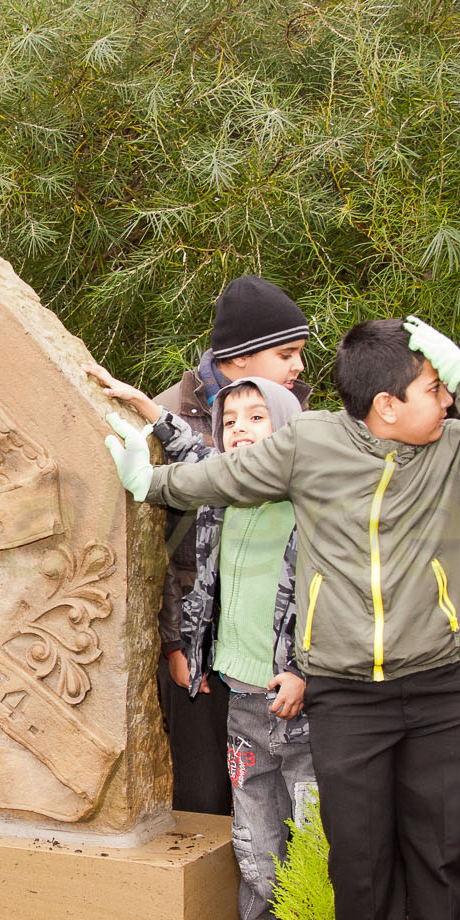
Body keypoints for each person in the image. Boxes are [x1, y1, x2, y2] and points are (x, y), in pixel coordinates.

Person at [107, 316, 460, 920]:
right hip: (346, 692)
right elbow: (226, 476)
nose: (446, 400)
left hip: (438, 686)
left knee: (438, 847)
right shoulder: (313, 445)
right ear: (386, 406)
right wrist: (151, 482)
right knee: (358, 850)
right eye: (433, 389)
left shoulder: (451, 449)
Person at [86, 275, 311, 816]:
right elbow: (152, 551)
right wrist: (176, 642)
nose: (299, 367)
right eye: (286, 354)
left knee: (295, 796)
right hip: (200, 644)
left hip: (280, 657)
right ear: (240, 358)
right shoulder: (174, 416)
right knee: (210, 791)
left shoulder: (296, 424)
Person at [156, 376, 315, 920]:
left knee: (316, 825)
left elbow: (333, 592)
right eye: (230, 420)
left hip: (304, 702)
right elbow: (189, 452)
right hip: (243, 696)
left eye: (257, 416)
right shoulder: (223, 496)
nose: (241, 429)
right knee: (255, 829)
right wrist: (141, 407)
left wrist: (303, 668)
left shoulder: (312, 498)